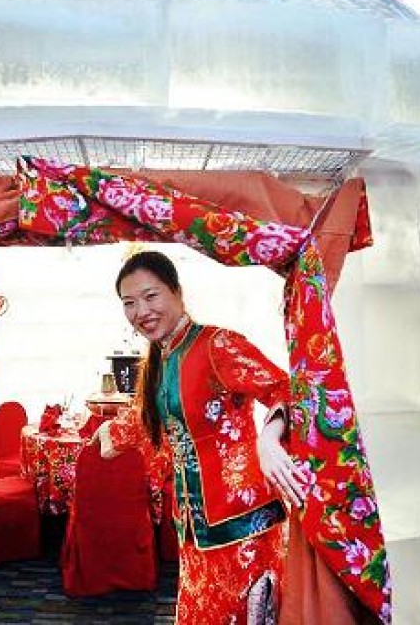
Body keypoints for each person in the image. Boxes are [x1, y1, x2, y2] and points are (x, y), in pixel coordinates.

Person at [94, 250, 305, 624]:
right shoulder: (160, 360)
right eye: (129, 303)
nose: (141, 311)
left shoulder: (216, 345)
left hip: (245, 522)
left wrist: (269, 438)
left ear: (177, 291)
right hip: (195, 527)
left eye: (151, 296)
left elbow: (283, 390)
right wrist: (110, 431)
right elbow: (153, 419)